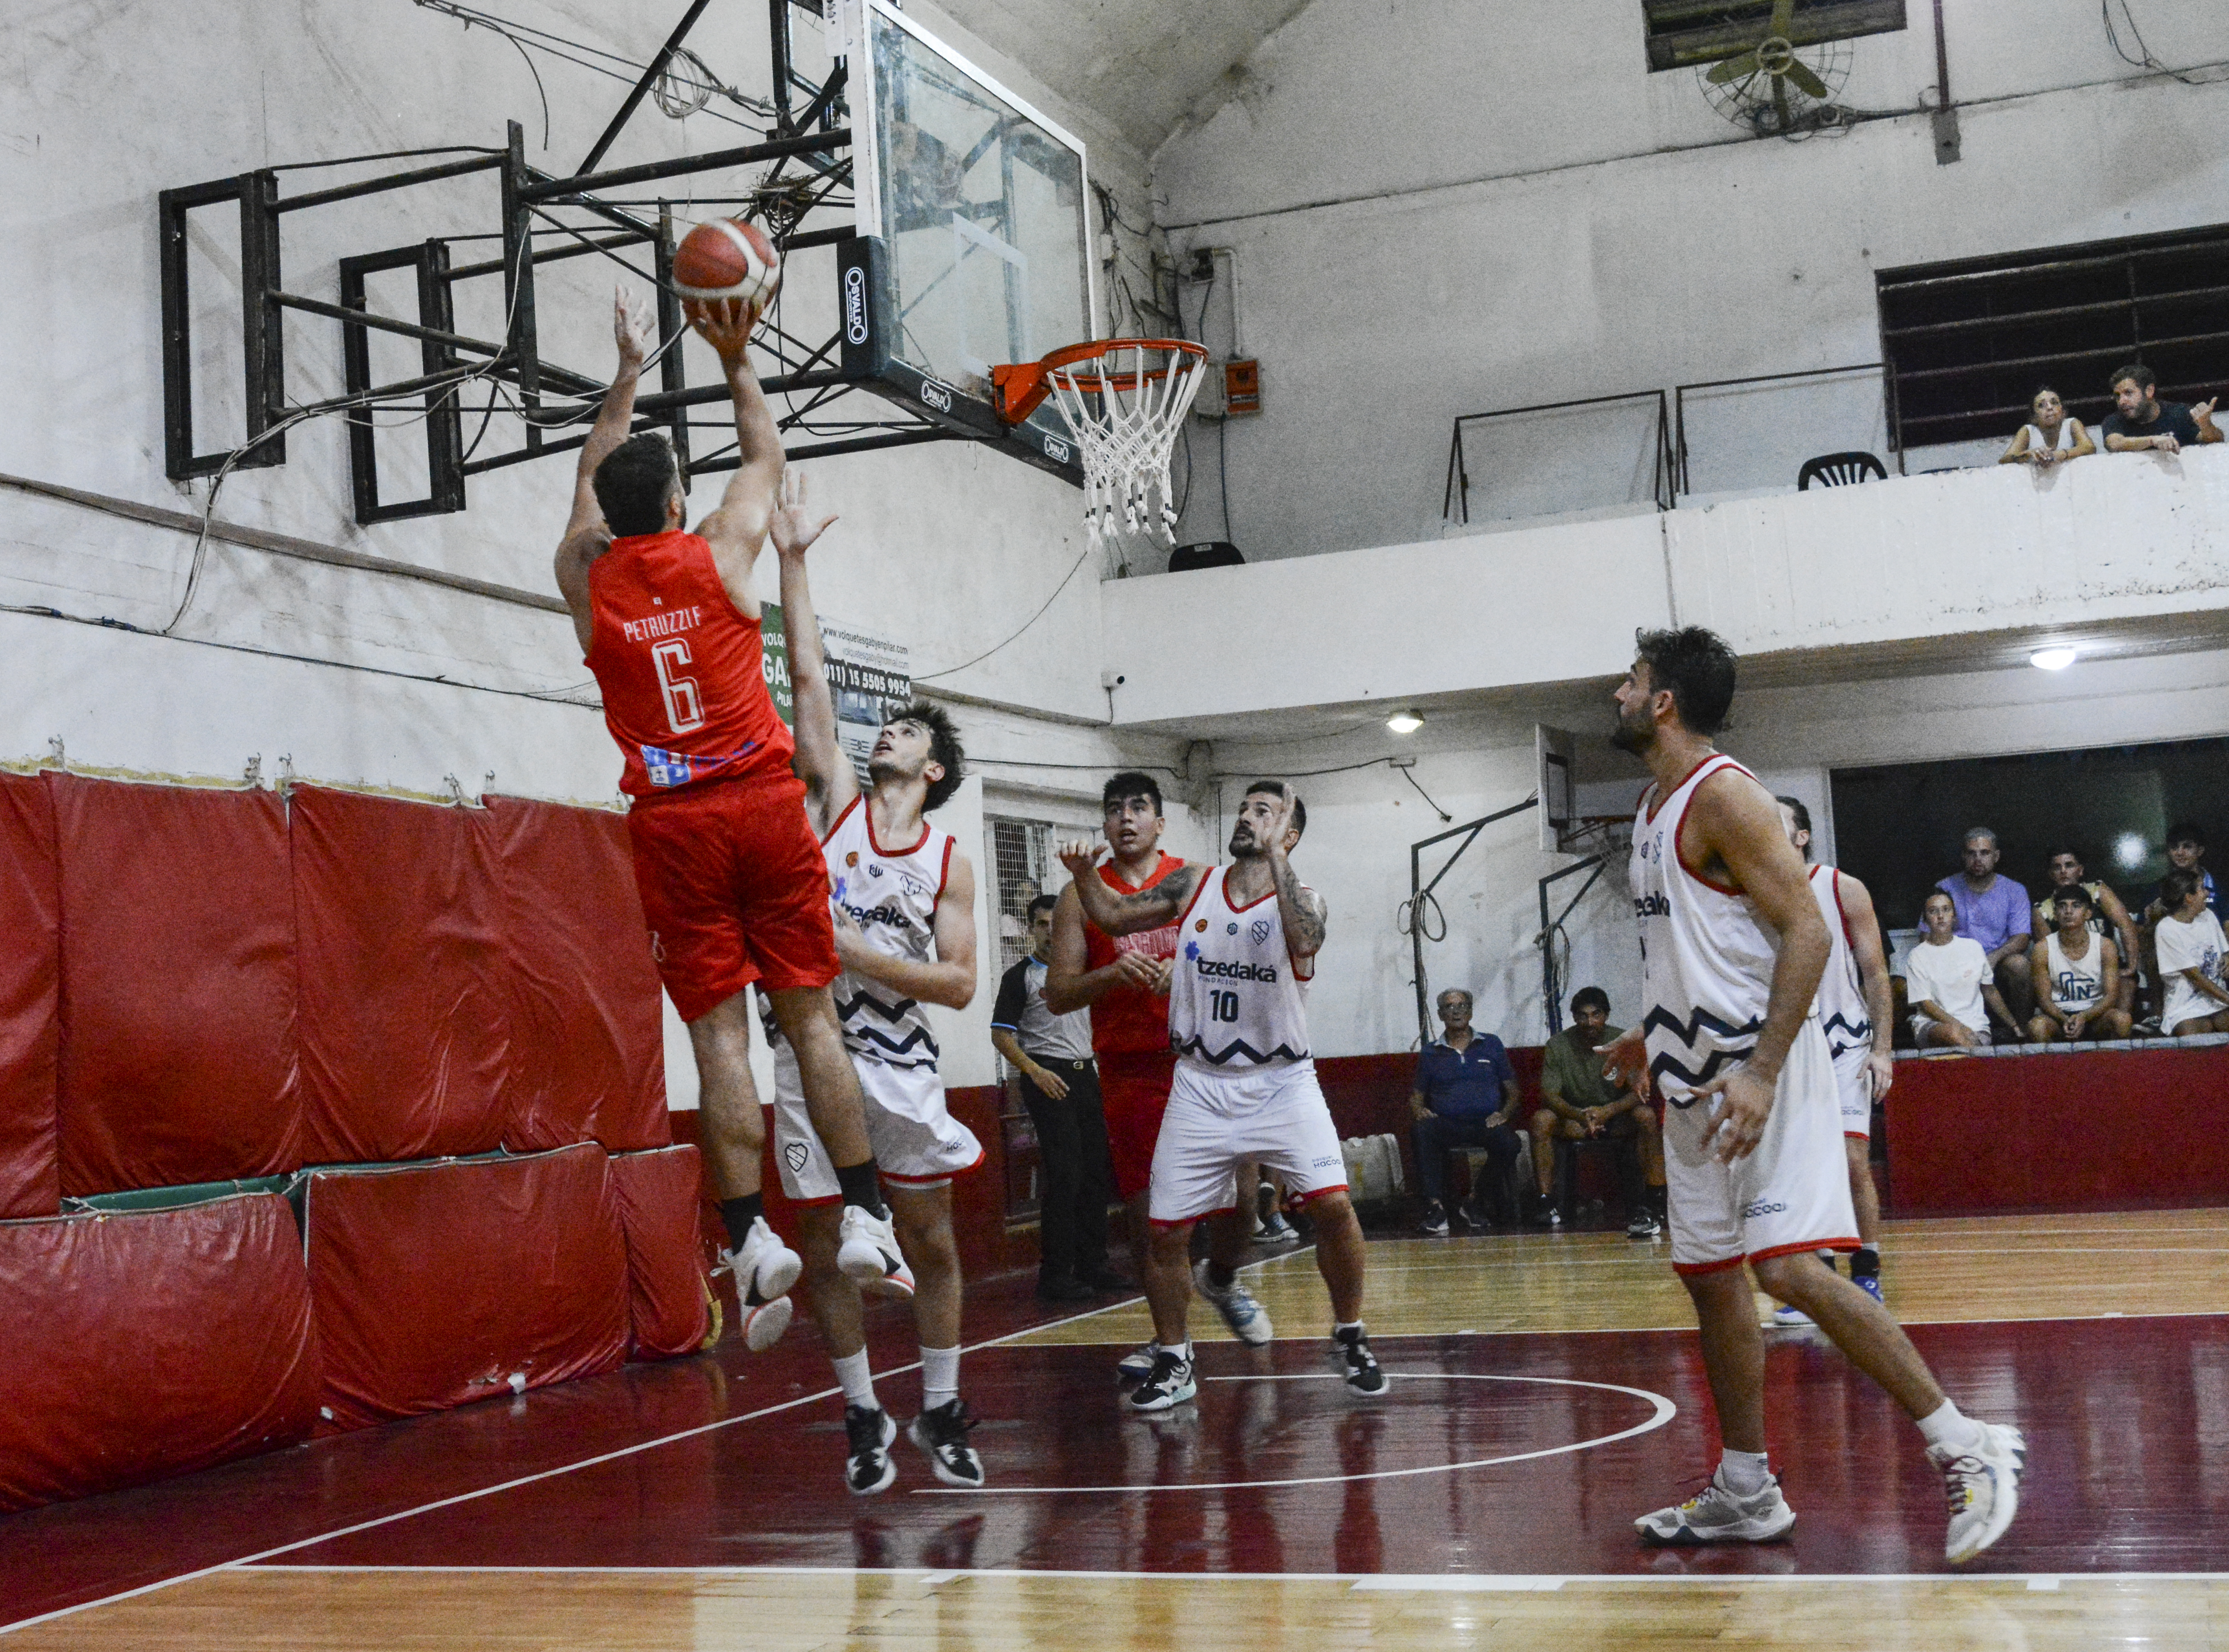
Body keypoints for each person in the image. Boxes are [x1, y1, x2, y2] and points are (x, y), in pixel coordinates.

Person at [1599, 625, 2025, 1564]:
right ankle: (1745, 1489)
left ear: (1664, 699)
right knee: (1710, 1283)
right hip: (1690, 1080)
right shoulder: (1650, 805)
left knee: (1785, 1270)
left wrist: (1757, 1070)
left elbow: (1807, 934)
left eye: (1632, 680)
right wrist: (1650, 1032)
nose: (1619, 693)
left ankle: (1967, 1441)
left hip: (1765, 1073)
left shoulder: (1728, 797)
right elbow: (1698, 945)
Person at [551, 290, 898, 1357]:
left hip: (671, 823)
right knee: (813, 1025)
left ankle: (749, 1242)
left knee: (718, 1040)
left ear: (612, 515)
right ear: (677, 497)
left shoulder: (586, 577)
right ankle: (866, 1219)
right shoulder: (720, 553)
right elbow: (765, 451)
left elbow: (583, 481)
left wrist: (620, 377)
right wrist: (736, 354)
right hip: (760, 807)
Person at [758, 471, 986, 1494]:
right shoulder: (839, 804)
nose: (884, 733)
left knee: (928, 1239)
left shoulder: (947, 861)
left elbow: (959, 986)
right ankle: (861, 1413)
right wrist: (793, 563)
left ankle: (939, 1405)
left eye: (905, 732)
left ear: (932, 768)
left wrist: (855, 951)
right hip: (813, 1051)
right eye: (886, 728)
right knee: (820, 1242)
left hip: (899, 1065)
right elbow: (806, 682)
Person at [1058, 782, 1387, 1410]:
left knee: (1334, 1208)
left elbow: (1307, 939)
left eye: (1263, 812)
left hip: (1281, 1083)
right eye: (1243, 807)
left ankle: (1348, 1333)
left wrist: (1278, 858)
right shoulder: (1192, 886)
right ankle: (1175, 1357)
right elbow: (1112, 917)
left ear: (1288, 833)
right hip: (1200, 1082)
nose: (1245, 817)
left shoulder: (1303, 897)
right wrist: (1081, 876)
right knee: (1163, 1228)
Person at [1043, 772, 1267, 1383]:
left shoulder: (1195, 880)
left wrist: (1188, 974)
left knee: (1244, 1198)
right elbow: (1058, 993)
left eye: (1138, 807)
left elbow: (1244, 968)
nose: (1125, 818)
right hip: (1131, 1068)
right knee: (1153, 1221)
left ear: (1160, 822)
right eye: (1113, 808)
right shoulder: (1078, 897)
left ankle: (1220, 1278)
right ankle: (1173, 1346)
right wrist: (1114, 977)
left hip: (1206, 1060)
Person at [1778, 797, 1894, 1304]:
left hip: (1845, 1039)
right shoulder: (1749, 892)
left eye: (1775, 820)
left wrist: (1883, 1048)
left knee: (1851, 1159)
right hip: (1789, 1044)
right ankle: (1819, 1271)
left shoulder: (1842, 887)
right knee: (1804, 1162)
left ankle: (1866, 1263)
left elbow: (1876, 973)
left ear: (1802, 835)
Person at [991, 894, 1122, 1303]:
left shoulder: (1083, 974)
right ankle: (1055, 1274)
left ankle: (1093, 1264)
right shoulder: (1020, 977)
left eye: (1056, 924)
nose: (1050, 932)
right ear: (1031, 929)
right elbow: (1001, 1034)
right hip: (1048, 1075)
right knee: (1065, 1173)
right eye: (1042, 924)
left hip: (1086, 1075)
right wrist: (1034, 1071)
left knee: (1095, 1172)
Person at [1532, 986, 1665, 1239]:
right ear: (1574, 1017)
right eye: (1583, 1016)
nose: (1589, 1022)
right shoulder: (1558, 1045)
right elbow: (1549, 1095)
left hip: (1617, 1118)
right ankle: (1545, 1203)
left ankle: (1654, 1200)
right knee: (1541, 1120)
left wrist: (1608, 1111)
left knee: (1646, 1116)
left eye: (1596, 1015)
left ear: (1606, 1015)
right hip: (1576, 1119)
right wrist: (1582, 1116)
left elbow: (1640, 1091)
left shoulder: (1624, 1041)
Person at [1409, 989, 1523, 1234]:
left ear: (1470, 1012)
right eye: (1449, 1007)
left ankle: (1474, 1201)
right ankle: (1436, 1209)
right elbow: (1417, 1098)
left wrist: (1504, 1114)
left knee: (1510, 1143)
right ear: (1440, 1015)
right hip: (1447, 1123)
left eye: (1462, 1006)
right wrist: (1420, 1112)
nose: (1457, 1011)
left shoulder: (1491, 1044)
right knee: (1421, 1131)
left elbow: (1514, 1092)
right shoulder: (1430, 1052)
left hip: (1485, 1122)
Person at [1935, 829, 2032, 1032]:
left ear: (1996, 856)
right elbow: (1928, 935)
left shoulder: (2015, 890)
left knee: (2019, 965)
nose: (1978, 859)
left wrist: (1994, 958)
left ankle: (2023, 1033)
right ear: (1964, 856)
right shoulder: (1945, 888)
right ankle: (1960, 1034)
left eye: (1985, 853)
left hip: (1996, 962)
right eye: (1972, 853)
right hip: (1955, 963)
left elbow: (2022, 938)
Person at [2030, 847, 2139, 1019]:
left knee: (2127, 981)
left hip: (2105, 969)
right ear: (2051, 874)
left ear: (2080, 870)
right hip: (2066, 979)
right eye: (2057, 867)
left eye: (2069, 865)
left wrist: (2132, 966)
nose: (2064, 871)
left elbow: (2126, 924)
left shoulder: (2097, 892)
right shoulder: (2042, 909)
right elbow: (2047, 955)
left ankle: (2119, 1034)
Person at [2027, 887, 2133, 1043]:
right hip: (2060, 1016)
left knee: (2122, 1020)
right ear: (2056, 915)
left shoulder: (2105, 946)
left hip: (2095, 1015)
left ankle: (2112, 1067)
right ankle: (2053, 1068)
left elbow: (2111, 996)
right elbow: (2045, 1001)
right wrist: (2065, 1019)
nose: (2068, 911)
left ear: (2088, 914)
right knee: (2037, 1027)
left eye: (2076, 906)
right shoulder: (2043, 949)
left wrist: (2084, 1017)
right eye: (2062, 906)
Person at [1905, 891, 2002, 1050]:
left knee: (1963, 1038)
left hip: (1976, 1028)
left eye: (1946, 909)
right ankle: (1981, 1063)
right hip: (1933, 1027)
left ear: (1954, 916)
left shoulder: (1973, 947)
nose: (1941, 916)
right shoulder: (1917, 956)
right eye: (1933, 911)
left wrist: (2015, 1026)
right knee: (1954, 1034)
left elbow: (1989, 990)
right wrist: (1961, 1028)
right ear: (1925, 919)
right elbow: (1926, 1004)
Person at [2154, 867, 2229, 1037]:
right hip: (2185, 1007)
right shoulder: (2167, 929)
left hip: (2218, 1003)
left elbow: (2224, 950)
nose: (2207, 894)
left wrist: (2228, 957)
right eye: (2202, 889)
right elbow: (2195, 977)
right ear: (2189, 898)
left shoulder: (2208, 916)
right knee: (2193, 1037)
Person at [2100, 363, 2221, 453]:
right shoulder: (2114, 421)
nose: (2122, 401)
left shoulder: (2179, 413)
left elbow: (2216, 440)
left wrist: (2206, 425)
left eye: (2129, 393)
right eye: (2118, 396)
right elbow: (2115, 444)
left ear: (2149, 391)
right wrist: (2153, 440)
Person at [1998, 386, 2094, 467]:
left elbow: (2089, 448)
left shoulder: (2072, 424)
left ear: (2064, 412)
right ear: (2034, 417)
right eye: (2041, 405)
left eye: (2055, 403)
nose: (2049, 408)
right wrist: (2029, 454)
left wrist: (2060, 455)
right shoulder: (2028, 431)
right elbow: (2004, 460)